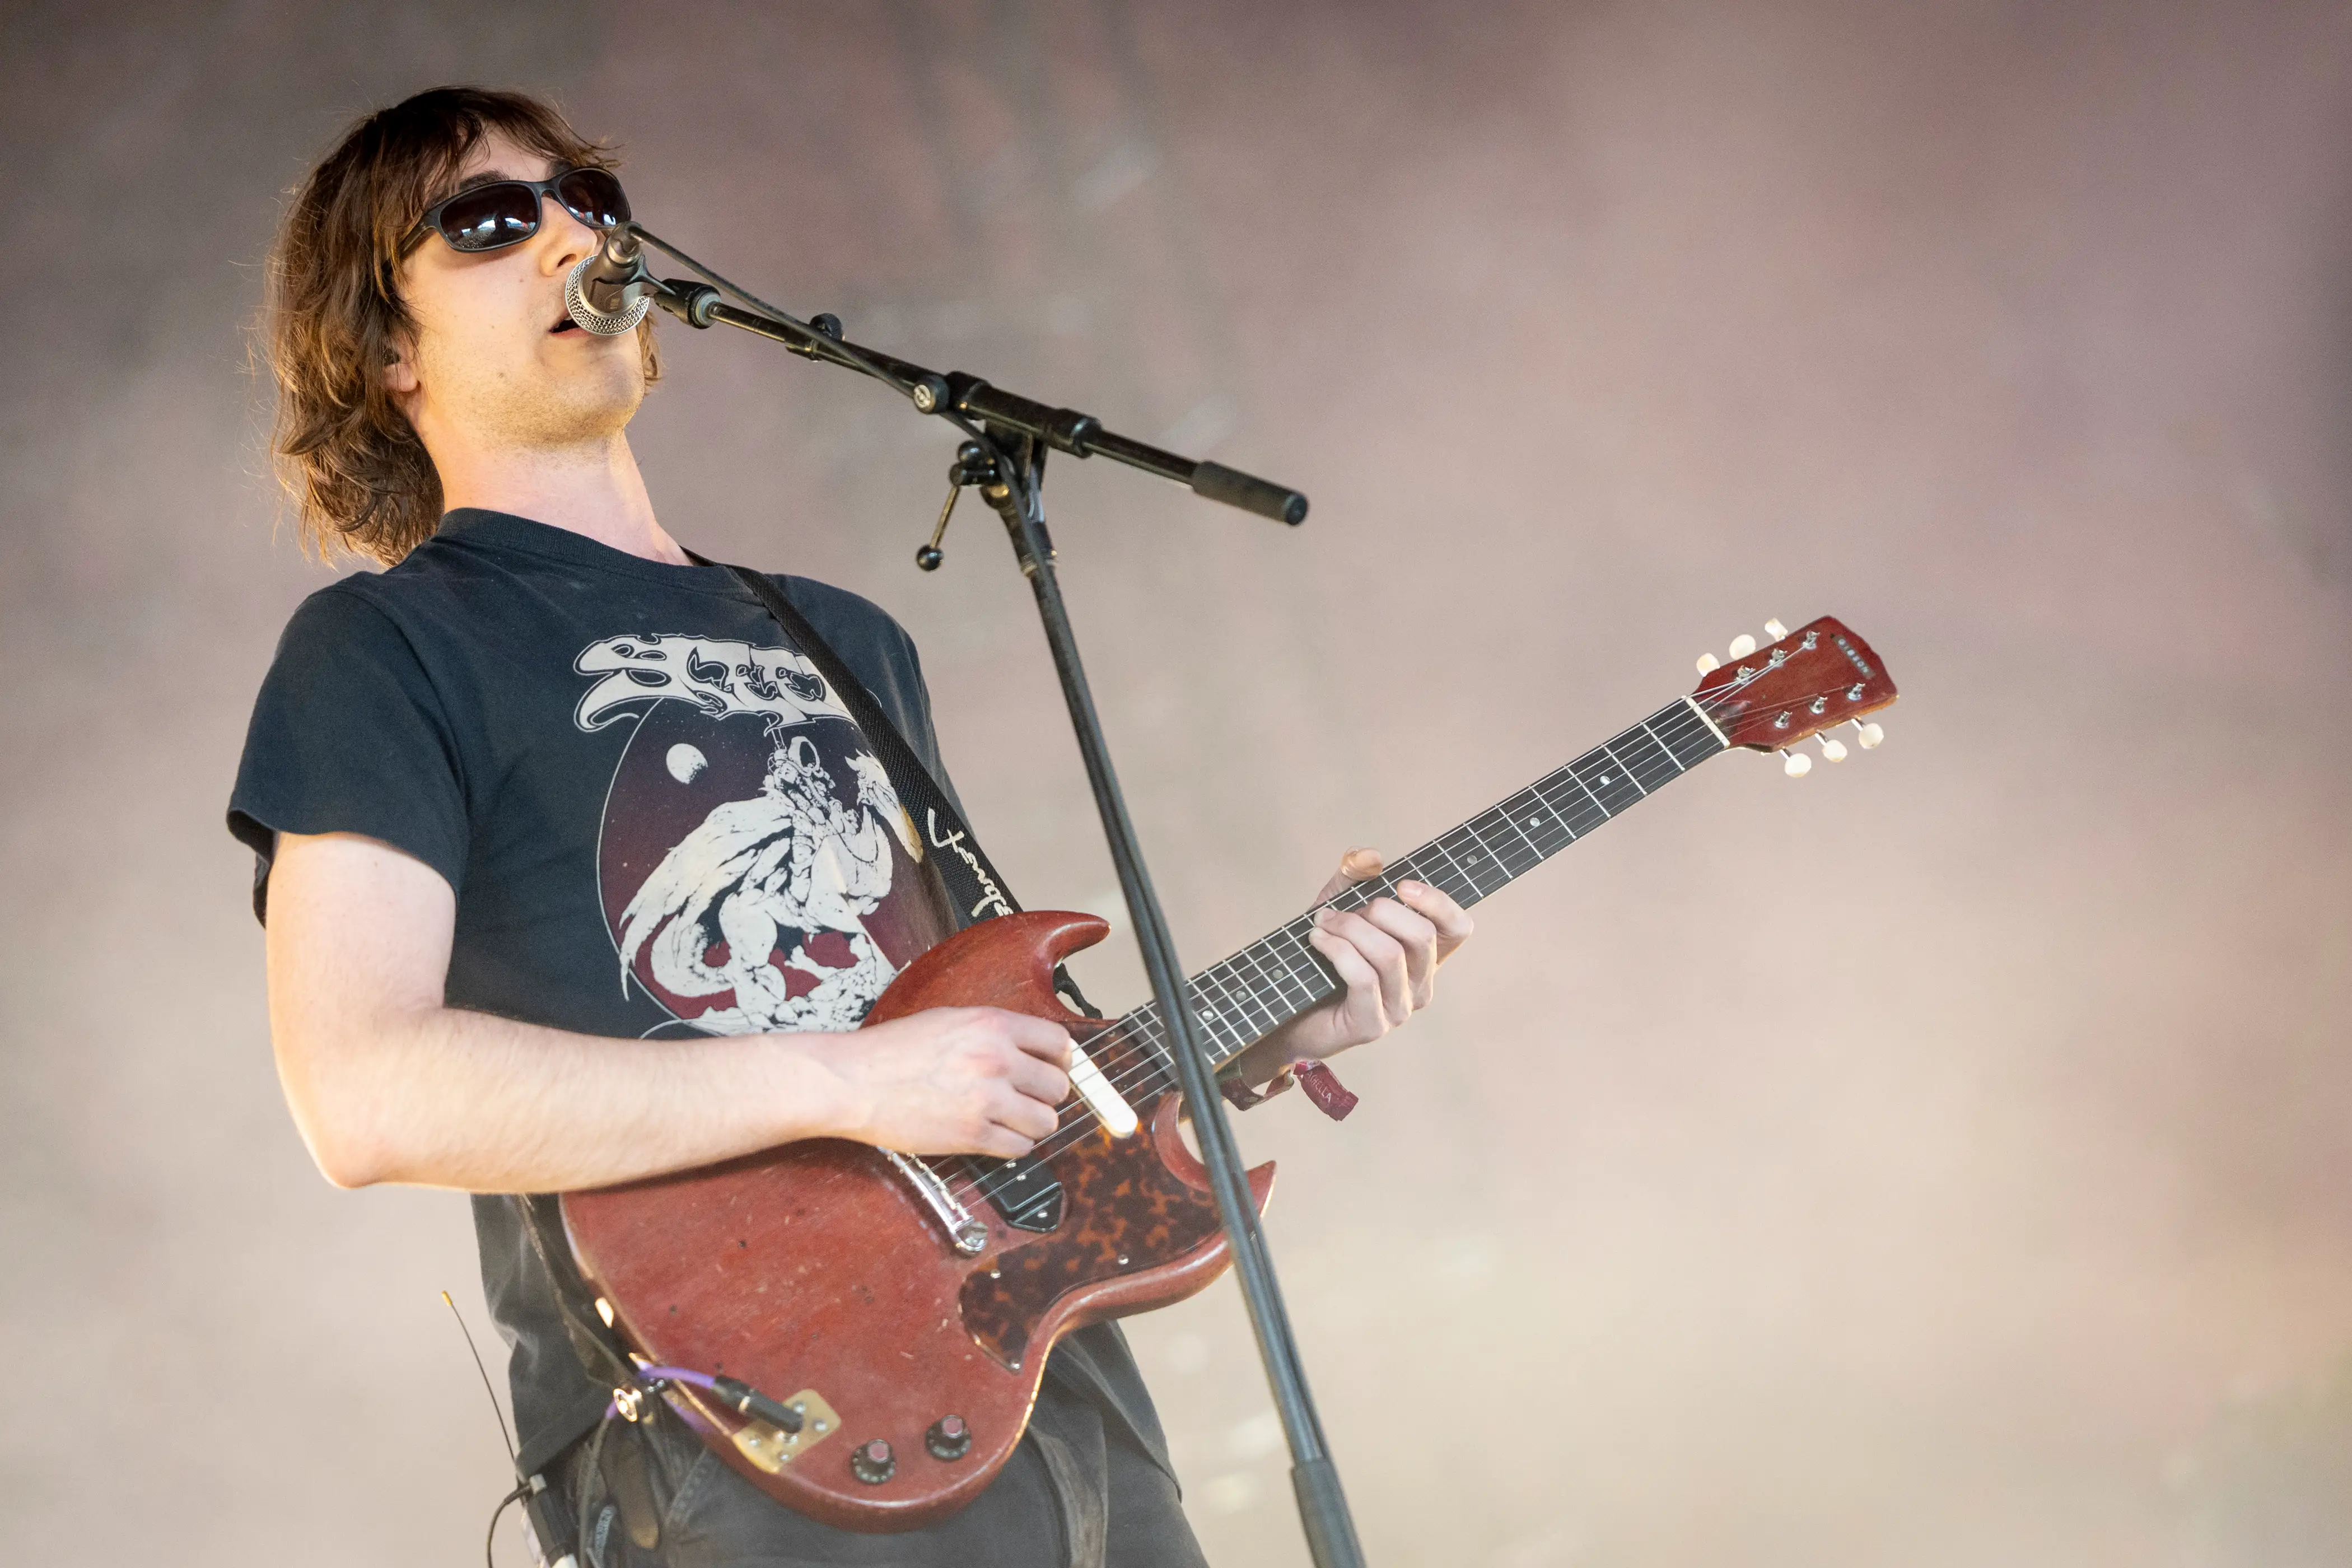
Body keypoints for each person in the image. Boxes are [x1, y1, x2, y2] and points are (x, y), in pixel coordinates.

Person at [231, 86, 1472, 1567]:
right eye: (495, 220)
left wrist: (1258, 1043)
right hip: (747, 1446)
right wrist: (855, 1077)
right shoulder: (384, 649)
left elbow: (976, 1063)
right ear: (384, 347)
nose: (571, 233)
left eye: (589, 201)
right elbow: (365, 1096)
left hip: (1058, 1405)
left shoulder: (842, 638)